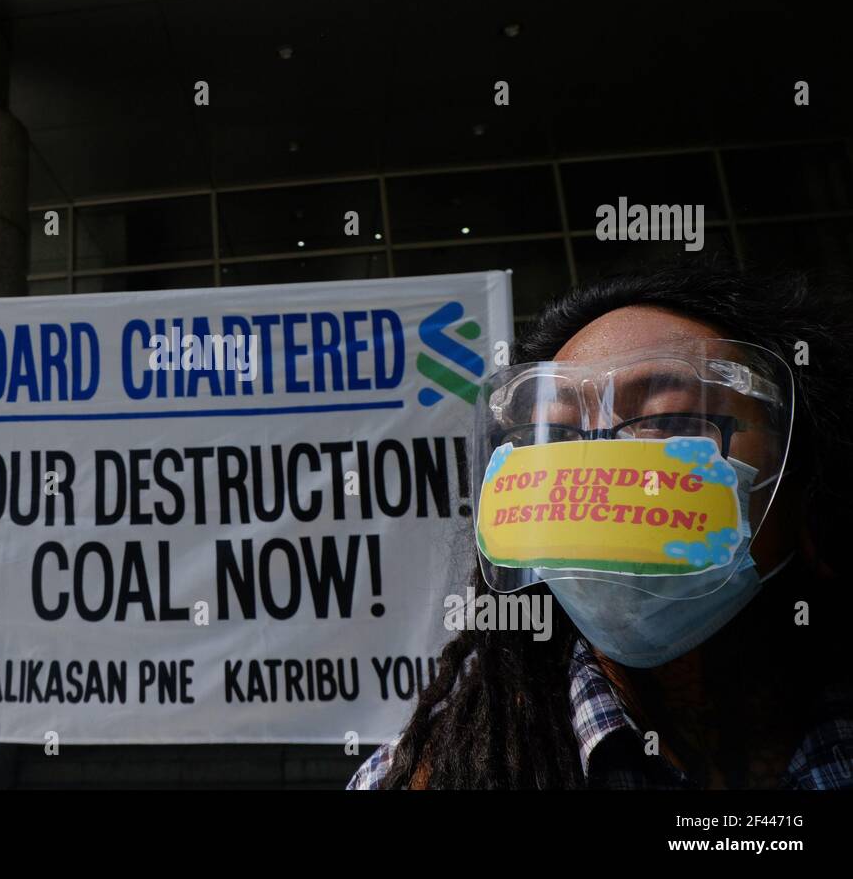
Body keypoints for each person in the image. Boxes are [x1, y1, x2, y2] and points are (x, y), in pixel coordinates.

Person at [350, 262, 853, 789]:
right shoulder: (432, 775)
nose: (597, 468)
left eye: (669, 419)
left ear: (806, 475)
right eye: (558, 435)